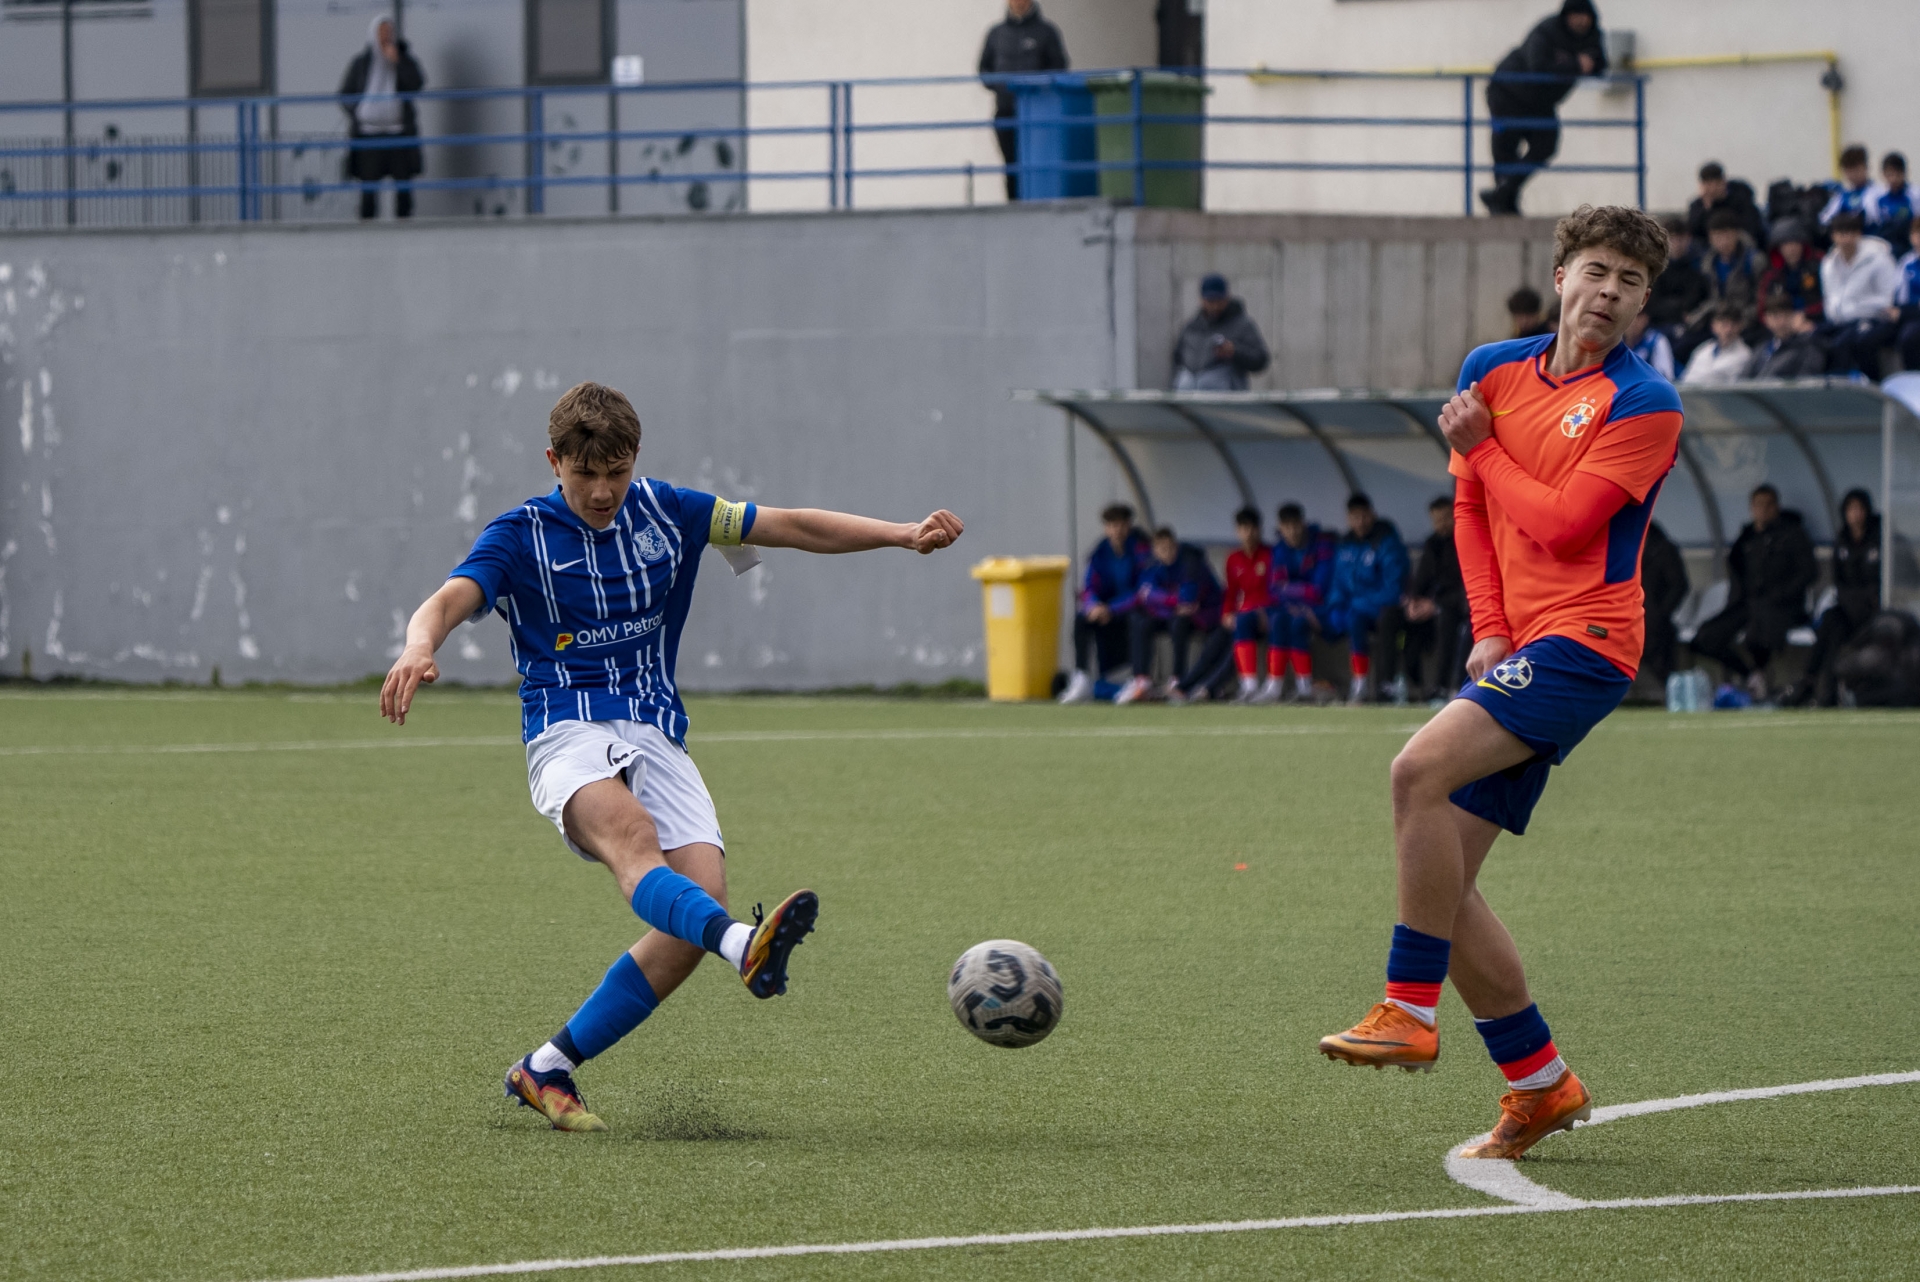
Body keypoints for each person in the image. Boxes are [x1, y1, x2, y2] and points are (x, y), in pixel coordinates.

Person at [379, 382, 963, 1132]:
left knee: (697, 904)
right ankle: (744, 946)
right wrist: (418, 646)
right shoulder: (519, 535)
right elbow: (448, 600)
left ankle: (547, 1067)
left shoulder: (671, 511)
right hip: (566, 728)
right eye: (584, 474)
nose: (601, 491)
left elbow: (788, 525)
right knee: (634, 841)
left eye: (616, 472)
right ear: (554, 462)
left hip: (656, 730)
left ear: (635, 459)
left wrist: (902, 534)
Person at [1317, 204, 1683, 1160]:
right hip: (1522, 641)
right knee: (1448, 881)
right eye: (1597, 271)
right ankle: (1540, 1083)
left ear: (1644, 302)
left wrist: (1481, 444)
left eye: (1632, 282)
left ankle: (1407, 1008)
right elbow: (1471, 510)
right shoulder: (1490, 370)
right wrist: (1487, 627)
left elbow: (1562, 527)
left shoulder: (1646, 403)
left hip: (1590, 640)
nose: (1610, 293)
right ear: (1562, 276)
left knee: (1414, 773)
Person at [1689, 483, 1817, 701]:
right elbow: (1735, 570)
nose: (1763, 510)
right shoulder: (1746, 538)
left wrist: (1782, 594)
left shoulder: (1792, 535)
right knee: (1705, 638)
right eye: (1758, 505)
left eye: (1768, 505)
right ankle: (1750, 674)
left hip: (1781, 606)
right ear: (1751, 508)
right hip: (1745, 605)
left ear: (1777, 507)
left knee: (1758, 635)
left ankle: (1763, 683)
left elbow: (1809, 572)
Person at [1480, 0, 1605, 216]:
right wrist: (1576, 65)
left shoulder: (1592, 36)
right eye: (1575, 15)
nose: (1581, 21)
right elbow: (1537, 66)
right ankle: (1504, 203)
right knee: (1505, 147)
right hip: (1508, 92)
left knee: (1546, 145)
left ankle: (1502, 194)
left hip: (1540, 102)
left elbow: (1601, 64)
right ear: (1566, 16)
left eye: (1585, 15)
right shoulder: (1546, 31)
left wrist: (1586, 64)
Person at [1784, 489, 1882, 706]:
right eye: (1851, 509)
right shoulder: (1842, 540)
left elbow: (1888, 579)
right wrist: (1851, 600)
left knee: (1834, 627)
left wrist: (1867, 599)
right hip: (1849, 610)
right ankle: (1816, 684)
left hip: (1874, 612)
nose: (1856, 515)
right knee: (1831, 623)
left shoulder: (1881, 538)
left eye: (1860, 509)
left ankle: (1817, 687)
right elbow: (1839, 582)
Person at [1116, 527, 1221, 705]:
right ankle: (1141, 680)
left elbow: (1188, 598)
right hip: (1171, 614)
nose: (1168, 552)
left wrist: (1160, 599)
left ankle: (1178, 679)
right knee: (1140, 621)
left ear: (1176, 546)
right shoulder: (1152, 565)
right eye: (1163, 549)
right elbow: (1144, 596)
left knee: (1179, 623)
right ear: (1155, 551)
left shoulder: (1191, 563)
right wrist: (1170, 603)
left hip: (1205, 616)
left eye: (1171, 548)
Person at [978, 0, 1068, 202]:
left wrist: (1037, 89)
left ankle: (1038, 205)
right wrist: (1001, 86)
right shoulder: (996, 34)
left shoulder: (1046, 32)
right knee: (1011, 165)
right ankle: (1014, 207)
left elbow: (1059, 68)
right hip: (1006, 111)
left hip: (1038, 114)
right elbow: (984, 70)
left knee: (1037, 163)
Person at [1322, 493, 1409, 704]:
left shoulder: (1386, 543)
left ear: (1372, 515)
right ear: (1348, 519)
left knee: (1356, 618)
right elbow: (1337, 583)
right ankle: (1355, 683)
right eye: (1354, 517)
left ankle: (1370, 684)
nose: (1360, 522)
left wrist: (1357, 604)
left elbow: (1393, 588)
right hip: (1354, 609)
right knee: (1327, 619)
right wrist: (1335, 606)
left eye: (1363, 516)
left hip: (1380, 609)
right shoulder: (1345, 545)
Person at [1060, 503, 1150, 704]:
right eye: (1112, 525)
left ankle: (1137, 680)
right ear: (1106, 528)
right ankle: (1082, 677)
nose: (1117, 530)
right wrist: (1093, 605)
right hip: (1106, 611)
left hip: (1132, 609)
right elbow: (1089, 586)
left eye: (1121, 525)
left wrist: (1111, 608)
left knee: (1138, 620)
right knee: (1081, 619)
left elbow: (1143, 591)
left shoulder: (1141, 550)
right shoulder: (1100, 551)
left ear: (1129, 526)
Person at [339, 16, 426, 220]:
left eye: (389, 32)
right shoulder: (361, 63)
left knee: (403, 186)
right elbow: (345, 93)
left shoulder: (404, 59)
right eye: (382, 32)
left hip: (398, 133)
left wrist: (399, 62)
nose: (386, 36)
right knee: (368, 188)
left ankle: (404, 224)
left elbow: (416, 84)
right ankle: (367, 226)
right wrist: (358, 111)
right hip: (369, 135)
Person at [1673, 209, 1767, 364]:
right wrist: (1696, 318)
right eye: (1717, 236)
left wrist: (1739, 322)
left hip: (1746, 324)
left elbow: (1761, 300)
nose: (1723, 242)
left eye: (1727, 235)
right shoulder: (1707, 264)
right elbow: (1709, 299)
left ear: (1736, 234)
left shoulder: (1754, 262)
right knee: (1681, 346)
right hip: (1717, 323)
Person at [1267, 502, 1337, 701]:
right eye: (1287, 527)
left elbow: (1319, 590)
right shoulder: (1279, 550)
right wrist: (1297, 598)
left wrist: (1290, 589)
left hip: (1322, 610)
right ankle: (1274, 686)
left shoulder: (1322, 546)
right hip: (1290, 608)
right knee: (1279, 619)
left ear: (1303, 524)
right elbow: (1274, 589)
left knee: (1298, 623)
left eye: (1295, 525)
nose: (1292, 531)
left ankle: (1304, 686)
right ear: (1280, 528)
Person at [1402, 496, 1470, 702]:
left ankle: (1445, 685)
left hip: (1460, 605)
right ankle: (1410, 686)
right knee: (1402, 620)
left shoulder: (1466, 539)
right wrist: (1413, 601)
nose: (1441, 524)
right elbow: (1421, 579)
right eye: (1437, 520)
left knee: (1447, 621)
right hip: (1435, 605)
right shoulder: (1432, 544)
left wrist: (1436, 605)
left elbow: (1467, 587)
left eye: (1446, 518)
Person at [1820, 211, 1902, 378]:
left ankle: (1870, 383)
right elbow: (1829, 297)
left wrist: (1856, 308)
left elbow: (1888, 298)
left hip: (1874, 319)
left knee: (1848, 342)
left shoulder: (1879, 259)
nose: (1845, 239)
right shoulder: (1828, 263)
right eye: (1841, 234)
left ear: (1858, 234)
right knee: (1812, 337)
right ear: (1833, 236)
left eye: (1850, 233)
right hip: (1839, 320)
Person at [1173, 275, 1271, 390]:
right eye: (1210, 301)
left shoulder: (1242, 324)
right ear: (1201, 299)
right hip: (1189, 396)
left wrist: (1235, 352)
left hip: (1226, 397)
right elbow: (1177, 360)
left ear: (1227, 298)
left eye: (1219, 300)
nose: (1215, 306)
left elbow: (1261, 359)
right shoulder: (1192, 327)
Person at [1222, 507, 1275, 702]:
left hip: (1267, 611)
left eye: (1252, 528)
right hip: (1245, 613)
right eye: (1244, 529)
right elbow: (1231, 592)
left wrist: (1264, 610)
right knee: (1224, 634)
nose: (1248, 533)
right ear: (1237, 531)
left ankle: (1262, 687)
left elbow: (1276, 589)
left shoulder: (1270, 555)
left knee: (1245, 622)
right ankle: (1247, 685)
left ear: (1259, 530)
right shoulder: (1233, 558)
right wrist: (1227, 613)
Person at [1638, 519, 1687, 688]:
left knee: (1660, 668)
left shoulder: (1663, 549)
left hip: (1656, 625)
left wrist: (1660, 613)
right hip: (1628, 623)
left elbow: (1679, 585)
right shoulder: (1623, 549)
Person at [1646, 214, 1708, 339]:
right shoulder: (1655, 269)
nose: (1677, 244)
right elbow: (1653, 303)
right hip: (1658, 326)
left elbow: (1694, 300)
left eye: (1681, 239)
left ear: (1688, 239)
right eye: (1672, 239)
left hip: (1689, 328)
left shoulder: (1698, 267)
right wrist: (1679, 309)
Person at [1742, 296, 1828, 379]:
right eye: (1774, 316)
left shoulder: (1808, 347)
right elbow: (1743, 379)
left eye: (1784, 315)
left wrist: (1807, 334)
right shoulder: (1761, 347)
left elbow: (1806, 381)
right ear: (1766, 318)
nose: (1780, 321)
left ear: (1794, 316)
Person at [1686, 161, 1767, 248]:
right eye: (1708, 185)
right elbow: (1695, 232)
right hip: (1711, 246)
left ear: (1724, 182)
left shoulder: (1740, 197)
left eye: (1717, 184)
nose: (1713, 189)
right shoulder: (1697, 206)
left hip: (1740, 242)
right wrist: (1707, 209)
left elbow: (1751, 225)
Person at [1757, 219, 1823, 322]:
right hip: (1781, 324)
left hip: (1817, 322)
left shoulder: (1819, 264)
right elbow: (1763, 309)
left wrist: (1806, 315)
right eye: (1786, 245)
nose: (1792, 249)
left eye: (1795, 243)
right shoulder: (1771, 275)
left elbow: (1830, 299)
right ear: (1778, 248)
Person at [1678, 304, 1752, 385]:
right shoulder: (1703, 350)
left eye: (1733, 325)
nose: (1728, 330)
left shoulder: (1744, 355)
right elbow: (1686, 379)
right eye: (1724, 325)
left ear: (1740, 326)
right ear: (1714, 326)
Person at [1866, 152, 1917, 247]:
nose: (1894, 179)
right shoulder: (1875, 196)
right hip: (1884, 244)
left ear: (1904, 173)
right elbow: (1875, 223)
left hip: (1908, 244)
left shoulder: (1915, 195)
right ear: (1883, 174)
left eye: (1897, 174)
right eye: (1890, 175)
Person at [1819, 145, 1875, 229]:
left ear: (1866, 167)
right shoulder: (1841, 196)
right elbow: (1824, 219)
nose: (1853, 175)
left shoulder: (1879, 193)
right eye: (1848, 171)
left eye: (1856, 170)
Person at [1895, 218, 1920, 375]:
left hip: (1912, 314)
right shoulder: (1906, 262)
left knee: (1909, 336)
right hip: (1910, 314)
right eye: (1916, 233)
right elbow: (1899, 297)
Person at [1624, 310, 1673, 379]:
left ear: (1645, 319)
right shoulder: (1615, 342)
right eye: (1629, 316)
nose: (1633, 322)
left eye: (1638, 317)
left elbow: (1665, 377)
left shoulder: (1657, 340)